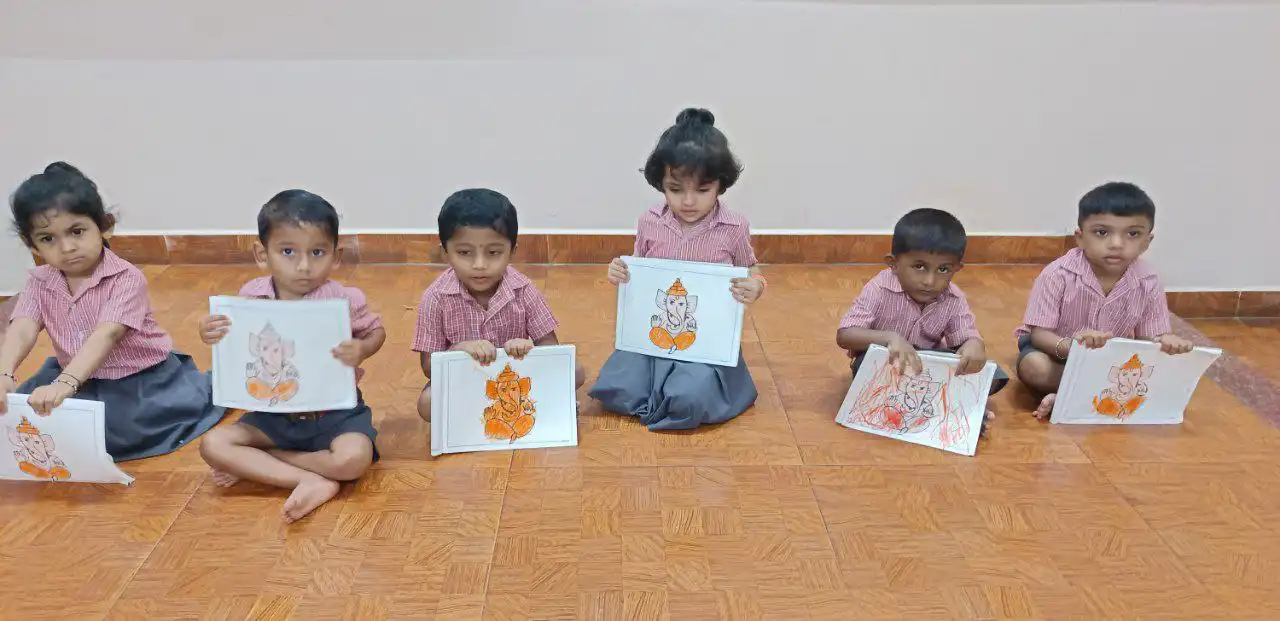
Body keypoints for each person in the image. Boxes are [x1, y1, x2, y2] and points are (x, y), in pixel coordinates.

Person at [0, 162, 224, 460]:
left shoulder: (126, 278)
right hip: (74, 373)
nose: (66, 247)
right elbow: (23, 326)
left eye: (76, 231)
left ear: (105, 226)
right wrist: (4, 372)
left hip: (138, 381)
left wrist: (65, 384)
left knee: (114, 433)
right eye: (48, 239)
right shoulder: (41, 281)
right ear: (32, 244)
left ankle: (207, 385)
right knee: (23, 413)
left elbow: (107, 334)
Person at [197, 189, 385, 523]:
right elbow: (237, 348)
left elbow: (376, 332)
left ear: (336, 255)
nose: (304, 266)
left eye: (317, 252)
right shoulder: (250, 298)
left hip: (335, 412)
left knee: (354, 460)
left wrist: (363, 348)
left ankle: (267, 462)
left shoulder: (344, 298)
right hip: (273, 414)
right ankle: (309, 479)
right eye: (287, 251)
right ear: (261, 253)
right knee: (213, 445)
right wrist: (211, 333)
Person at [590, 107, 766, 430]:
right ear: (661, 184)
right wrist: (620, 272)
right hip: (652, 335)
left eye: (702, 190)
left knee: (689, 398)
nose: (688, 201)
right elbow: (640, 275)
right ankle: (655, 391)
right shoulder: (649, 222)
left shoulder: (734, 227)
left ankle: (680, 392)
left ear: (721, 185)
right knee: (616, 386)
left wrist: (756, 285)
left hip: (705, 342)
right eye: (675, 189)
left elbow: (751, 268)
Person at [1016, 182, 1194, 419]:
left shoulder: (1148, 281)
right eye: (1102, 232)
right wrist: (1074, 348)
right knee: (1034, 368)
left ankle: (1073, 396)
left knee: (1165, 373)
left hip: (1113, 363)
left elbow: (1147, 338)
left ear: (1146, 242)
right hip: (1057, 353)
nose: (1117, 244)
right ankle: (1091, 395)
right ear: (1080, 238)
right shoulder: (1057, 274)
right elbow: (1039, 334)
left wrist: (1165, 341)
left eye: (1132, 234)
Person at [413, 188, 585, 422]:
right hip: (467, 382)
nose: (480, 264)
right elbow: (428, 367)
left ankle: (510, 408)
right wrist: (458, 351)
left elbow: (551, 347)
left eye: (494, 252)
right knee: (428, 403)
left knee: (575, 371)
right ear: (445, 253)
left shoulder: (523, 289)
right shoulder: (435, 298)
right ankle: (491, 411)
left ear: (512, 251)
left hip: (516, 381)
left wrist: (527, 348)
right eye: (464, 252)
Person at [836, 208, 1005, 430]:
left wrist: (974, 346)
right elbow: (845, 335)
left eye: (943, 269)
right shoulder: (878, 288)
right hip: (885, 362)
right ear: (893, 263)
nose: (930, 280)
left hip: (929, 363)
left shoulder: (953, 298)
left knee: (991, 373)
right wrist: (889, 338)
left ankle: (953, 407)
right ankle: (947, 406)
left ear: (957, 268)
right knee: (868, 366)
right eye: (919, 267)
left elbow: (967, 336)